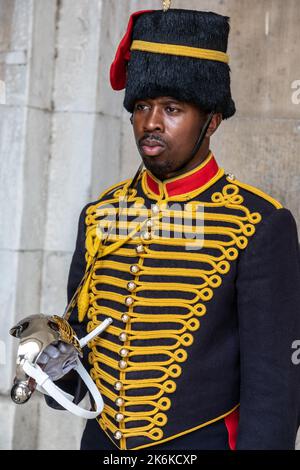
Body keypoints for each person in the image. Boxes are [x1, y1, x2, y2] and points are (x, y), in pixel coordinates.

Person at [42, 6, 300, 450]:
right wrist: (56, 365)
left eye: (173, 108)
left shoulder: (260, 223)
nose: (152, 123)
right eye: (142, 106)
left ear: (212, 121)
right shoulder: (100, 214)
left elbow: (274, 388)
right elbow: (84, 365)